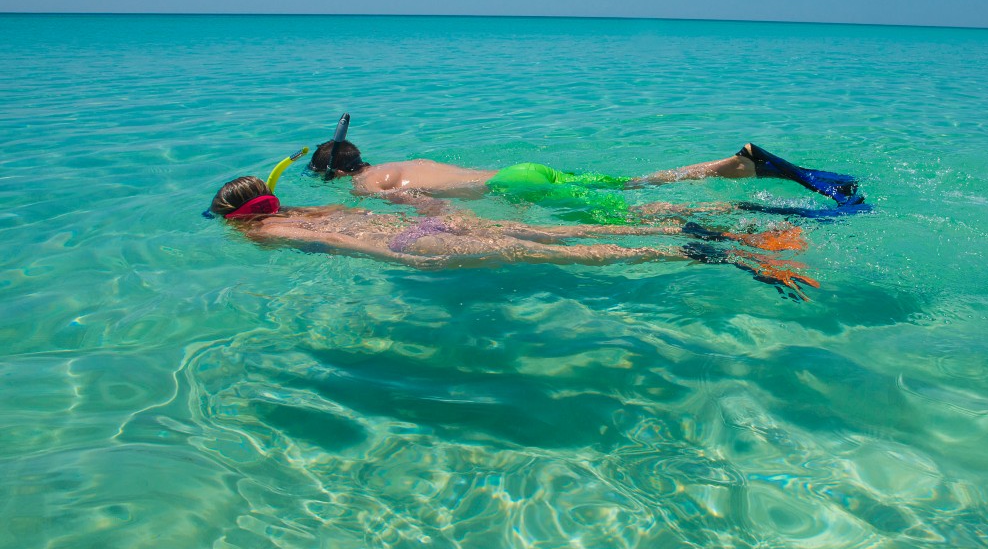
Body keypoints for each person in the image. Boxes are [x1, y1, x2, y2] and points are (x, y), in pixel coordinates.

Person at [208, 176, 821, 299]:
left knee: (582, 255)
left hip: (414, 247)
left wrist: (416, 261)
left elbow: (354, 248)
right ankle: (742, 231)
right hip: (430, 222)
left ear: (239, 218)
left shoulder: (272, 232)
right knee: (566, 231)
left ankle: (724, 258)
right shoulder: (307, 210)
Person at [308, 138, 862, 224]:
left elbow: (420, 203)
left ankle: (747, 210)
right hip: (524, 171)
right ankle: (735, 165)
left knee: (641, 217)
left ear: (335, 173)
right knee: (634, 185)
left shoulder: (364, 186)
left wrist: (457, 224)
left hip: (518, 187)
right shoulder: (403, 157)